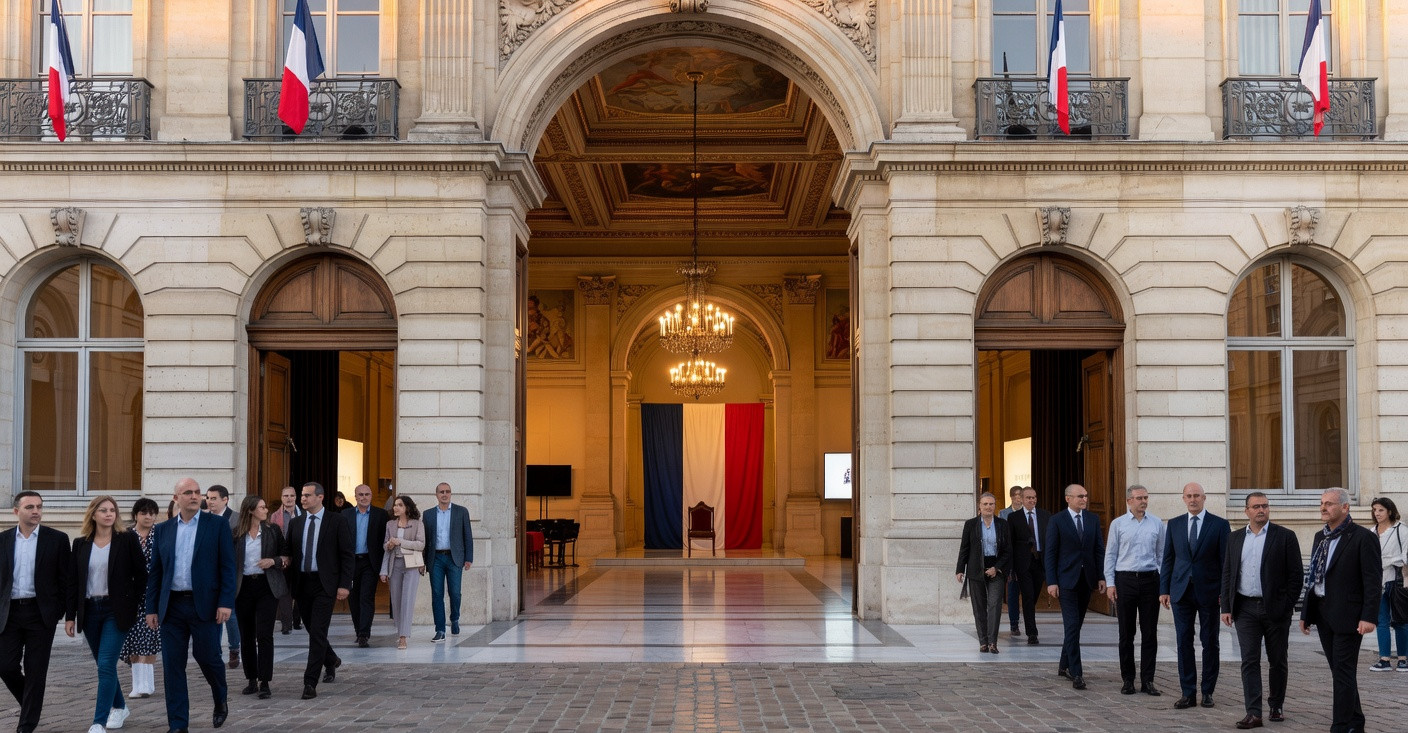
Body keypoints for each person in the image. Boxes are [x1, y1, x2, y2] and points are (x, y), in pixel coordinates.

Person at [146, 477, 237, 733]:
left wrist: (225, 602)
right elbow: (156, 572)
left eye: (198, 492)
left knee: (207, 657)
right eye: (188, 492)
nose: (195, 496)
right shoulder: (163, 529)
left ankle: (220, 696)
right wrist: (151, 608)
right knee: (172, 666)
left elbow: (228, 566)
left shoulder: (217, 525)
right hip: (172, 606)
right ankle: (178, 725)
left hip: (205, 605)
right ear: (176, 498)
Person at [1301, 487, 1382, 733]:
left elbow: (1372, 580)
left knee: (1344, 672)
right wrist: (1306, 614)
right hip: (1323, 613)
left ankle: (1341, 725)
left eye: (1330, 504)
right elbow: (1314, 579)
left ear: (1345, 507)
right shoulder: (1320, 536)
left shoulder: (1363, 537)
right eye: (1322, 503)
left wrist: (1369, 617)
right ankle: (1356, 722)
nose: (1323, 508)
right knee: (1339, 672)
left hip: (1349, 616)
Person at [1220, 491, 1303, 729]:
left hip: (1275, 609)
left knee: (1277, 659)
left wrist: (1286, 605)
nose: (1261, 510)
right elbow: (1228, 573)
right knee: (1249, 660)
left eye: (1265, 506)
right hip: (1245, 608)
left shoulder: (1285, 536)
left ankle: (1276, 705)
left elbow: (1296, 576)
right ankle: (1254, 712)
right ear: (1246, 511)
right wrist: (1226, 607)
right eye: (1256, 506)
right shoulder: (1235, 538)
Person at [69, 495, 148, 733]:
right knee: (105, 666)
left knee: (105, 664)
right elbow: (73, 582)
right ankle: (120, 706)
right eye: (103, 510)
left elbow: (141, 575)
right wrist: (70, 616)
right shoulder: (81, 543)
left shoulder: (127, 539)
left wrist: (132, 603)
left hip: (116, 611)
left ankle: (98, 722)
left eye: (112, 510)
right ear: (93, 514)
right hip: (90, 611)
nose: (108, 514)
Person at [1, 491, 73, 733]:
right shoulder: (3, 540)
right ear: (16, 511)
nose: (36, 511)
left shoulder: (57, 539)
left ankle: (26, 724)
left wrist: (61, 612)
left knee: (36, 670)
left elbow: (66, 580)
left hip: (41, 614)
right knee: (5, 665)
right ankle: (30, 704)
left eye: (39, 507)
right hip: (9, 613)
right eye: (30, 507)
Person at [1159, 481, 1229, 710]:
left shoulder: (1219, 525)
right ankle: (1187, 692)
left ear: (1204, 498)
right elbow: (1168, 558)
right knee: (1183, 642)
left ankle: (1208, 691)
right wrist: (1164, 589)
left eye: (1197, 495)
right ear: (1183, 498)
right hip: (1181, 592)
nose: (1193, 499)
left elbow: (1226, 563)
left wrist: (1224, 593)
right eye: (1189, 496)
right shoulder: (1175, 524)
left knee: (1210, 642)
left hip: (1209, 592)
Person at [286, 481, 353, 700]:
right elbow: (289, 553)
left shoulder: (337, 521)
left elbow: (347, 555)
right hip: (302, 583)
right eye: (302, 495)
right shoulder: (296, 523)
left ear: (320, 497)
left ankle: (310, 682)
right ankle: (331, 659)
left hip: (325, 584)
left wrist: (344, 584)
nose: (303, 499)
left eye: (307, 495)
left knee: (318, 631)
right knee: (312, 628)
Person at [1103, 484, 1164, 696]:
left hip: (1150, 581)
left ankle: (1148, 680)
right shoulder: (1118, 524)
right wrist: (1110, 583)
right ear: (1129, 501)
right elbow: (1110, 554)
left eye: (1146, 497)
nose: (1143, 501)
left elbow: (1161, 555)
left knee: (1150, 633)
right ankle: (1128, 679)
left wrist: (1162, 582)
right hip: (1125, 580)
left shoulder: (1156, 523)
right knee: (1126, 633)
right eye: (1139, 498)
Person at [1044, 483, 1105, 690]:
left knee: (1076, 626)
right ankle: (1076, 672)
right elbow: (1050, 553)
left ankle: (1063, 664)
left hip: (1086, 580)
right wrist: (1051, 581)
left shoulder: (1092, 519)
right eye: (1080, 496)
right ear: (1068, 498)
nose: (1084, 499)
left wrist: (1101, 576)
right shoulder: (1057, 520)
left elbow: (1098, 550)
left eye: (1086, 496)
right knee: (1071, 625)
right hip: (1066, 581)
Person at [233, 495, 288, 700]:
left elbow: (285, 555)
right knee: (246, 635)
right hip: (243, 587)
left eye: (265, 507)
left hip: (266, 586)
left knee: (264, 634)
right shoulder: (236, 534)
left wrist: (272, 561)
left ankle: (265, 681)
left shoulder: (273, 531)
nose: (266, 510)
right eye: (262, 507)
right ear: (250, 510)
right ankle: (251, 679)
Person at [956, 492, 1011, 653]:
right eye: (985, 504)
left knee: (994, 605)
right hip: (976, 569)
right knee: (979, 607)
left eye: (991, 504)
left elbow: (1008, 550)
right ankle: (983, 641)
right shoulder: (970, 524)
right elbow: (964, 548)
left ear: (995, 506)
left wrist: (997, 567)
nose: (988, 507)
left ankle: (993, 642)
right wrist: (960, 569)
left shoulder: (1002, 524)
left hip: (996, 568)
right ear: (979, 506)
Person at [422, 482, 474, 642]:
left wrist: (468, 558)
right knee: (437, 594)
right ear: (436, 495)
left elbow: (468, 536)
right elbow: (425, 539)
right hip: (435, 558)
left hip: (454, 558)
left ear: (451, 494)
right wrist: (422, 561)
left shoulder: (461, 511)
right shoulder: (428, 514)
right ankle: (440, 630)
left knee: (455, 593)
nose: (444, 494)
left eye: (447, 491)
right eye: (441, 492)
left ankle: (455, 618)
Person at [121, 498, 162, 699]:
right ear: (136, 515)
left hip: (153, 591)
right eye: (144, 513)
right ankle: (137, 683)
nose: (148, 517)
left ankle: (146, 684)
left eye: (152, 513)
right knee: (133, 638)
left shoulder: (160, 534)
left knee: (150, 636)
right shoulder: (125, 535)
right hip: (131, 593)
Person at [343, 484, 388, 648]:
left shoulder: (381, 515)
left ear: (371, 496)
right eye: (360, 494)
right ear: (355, 497)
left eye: (367, 494)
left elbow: (384, 539)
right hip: (351, 563)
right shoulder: (345, 515)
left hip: (370, 562)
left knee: (366, 597)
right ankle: (358, 630)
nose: (364, 497)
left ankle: (364, 634)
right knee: (353, 599)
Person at [380, 496, 427, 650]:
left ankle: (403, 637)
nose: (396, 507)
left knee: (407, 600)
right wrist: (389, 545)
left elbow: (420, 544)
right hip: (395, 565)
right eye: (395, 505)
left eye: (400, 505)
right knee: (396, 601)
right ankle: (400, 631)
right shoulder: (390, 524)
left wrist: (401, 542)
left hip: (411, 566)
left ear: (407, 507)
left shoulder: (417, 524)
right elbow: (386, 548)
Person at [1369, 496, 1408, 671]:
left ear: (1390, 511)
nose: (1377, 513)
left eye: (1381, 510)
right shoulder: (1371, 532)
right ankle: (1384, 659)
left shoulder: (1401, 530)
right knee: (1381, 621)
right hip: (1378, 581)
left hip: (1397, 580)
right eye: (1374, 510)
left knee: (1400, 621)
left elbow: (1406, 556)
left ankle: (1403, 659)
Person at [205, 485, 241, 670]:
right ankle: (215, 651)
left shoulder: (236, 519)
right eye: (208, 498)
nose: (209, 502)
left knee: (231, 613)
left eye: (214, 498)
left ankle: (234, 648)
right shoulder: (204, 518)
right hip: (209, 574)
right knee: (213, 614)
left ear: (225, 500)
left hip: (229, 572)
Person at [1008, 486, 1050, 645]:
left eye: (1034, 497)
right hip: (1023, 564)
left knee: (1033, 597)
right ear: (1022, 499)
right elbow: (1010, 544)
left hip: (1040, 562)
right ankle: (1032, 633)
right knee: (1027, 596)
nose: (1032, 500)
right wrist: (1011, 568)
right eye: (1028, 498)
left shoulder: (1045, 515)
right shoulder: (1014, 517)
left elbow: (1050, 540)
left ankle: (1028, 616)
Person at [268, 486, 302, 635]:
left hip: (300, 557)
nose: (289, 499)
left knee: (300, 589)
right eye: (286, 496)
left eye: (292, 496)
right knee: (284, 591)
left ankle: (297, 619)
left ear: (296, 497)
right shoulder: (274, 517)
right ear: (282, 498)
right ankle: (286, 624)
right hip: (282, 557)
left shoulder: (303, 514)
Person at [997, 485, 1025, 637]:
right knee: (1013, 591)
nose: (1018, 498)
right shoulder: (1004, 513)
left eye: (1021, 495)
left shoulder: (1028, 513)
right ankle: (1014, 623)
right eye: (1016, 495)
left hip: (1025, 558)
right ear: (1012, 497)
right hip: (1010, 558)